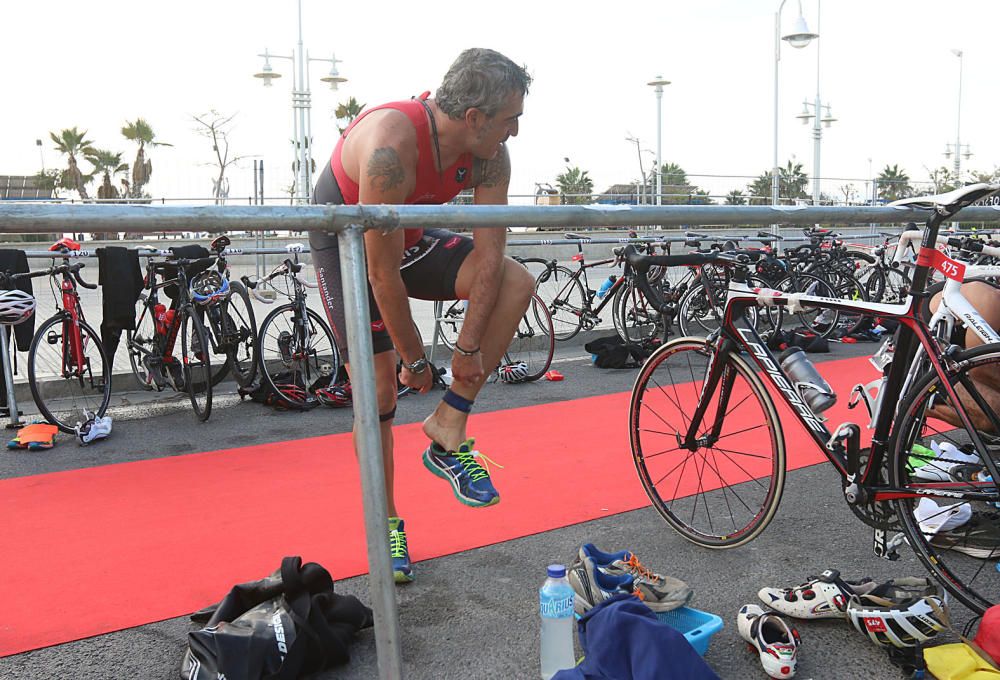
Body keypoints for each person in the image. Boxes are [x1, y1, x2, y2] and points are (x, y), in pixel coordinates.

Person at [309, 48, 535, 583]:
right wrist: (414, 359)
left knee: (515, 280)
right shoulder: (392, 143)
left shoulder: (489, 155)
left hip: (404, 238)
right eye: (511, 121)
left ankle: (448, 427)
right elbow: (381, 275)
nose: (516, 133)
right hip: (348, 245)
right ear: (475, 118)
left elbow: (490, 257)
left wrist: (469, 354)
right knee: (381, 388)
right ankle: (385, 522)